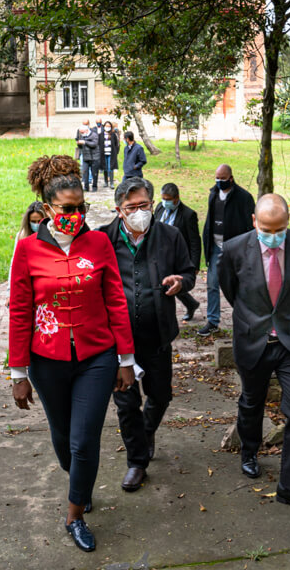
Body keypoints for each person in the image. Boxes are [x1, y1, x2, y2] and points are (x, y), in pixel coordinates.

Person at [8, 155, 136, 552]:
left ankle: (74, 514)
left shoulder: (98, 243)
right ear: (47, 209)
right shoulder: (27, 251)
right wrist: (18, 372)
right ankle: (80, 483)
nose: (76, 215)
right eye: (68, 209)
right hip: (47, 362)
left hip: (97, 357)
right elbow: (19, 310)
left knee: (84, 441)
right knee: (63, 438)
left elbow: (116, 298)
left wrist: (126, 360)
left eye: (81, 207)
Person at [218, 193, 290, 516]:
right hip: (254, 339)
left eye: (279, 229)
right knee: (252, 401)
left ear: (288, 223)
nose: (273, 236)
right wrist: (255, 318)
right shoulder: (235, 249)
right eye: (266, 228)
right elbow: (230, 289)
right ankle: (249, 451)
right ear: (254, 221)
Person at [99, 177, 196, 492]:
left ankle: (146, 431)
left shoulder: (170, 236)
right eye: (132, 207)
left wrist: (181, 281)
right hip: (117, 340)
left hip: (157, 332)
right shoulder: (103, 240)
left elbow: (190, 271)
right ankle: (137, 462)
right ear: (119, 210)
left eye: (144, 205)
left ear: (152, 205)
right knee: (126, 403)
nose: (139, 212)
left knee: (160, 394)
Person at [198, 164, 254, 337]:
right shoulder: (213, 194)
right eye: (217, 178)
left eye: (222, 178)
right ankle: (213, 321)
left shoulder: (244, 197)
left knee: (239, 286)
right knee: (212, 284)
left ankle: (244, 320)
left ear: (231, 177)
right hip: (216, 246)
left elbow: (250, 225)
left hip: (236, 249)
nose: (219, 181)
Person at [154, 183, 201, 321]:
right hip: (159, 252)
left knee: (171, 282)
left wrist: (195, 264)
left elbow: (194, 241)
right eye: (163, 198)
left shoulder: (188, 215)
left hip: (177, 255)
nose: (165, 202)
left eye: (168, 199)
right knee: (164, 282)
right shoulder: (159, 208)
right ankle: (191, 303)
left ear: (176, 198)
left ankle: (188, 305)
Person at [8, 201, 45, 286]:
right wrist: (9, 289)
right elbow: (14, 264)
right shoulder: (22, 236)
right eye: (33, 221)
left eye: (39, 221)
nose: (36, 225)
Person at [76, 120, 99, 192]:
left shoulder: (94, 135)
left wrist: (85, 142)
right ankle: (86, 187)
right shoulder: (82, 136)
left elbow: (94, 144)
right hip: (86, 157)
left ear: (86, 131)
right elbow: (80, 146)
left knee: (94, 173)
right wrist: (79, 143)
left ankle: (94, 186)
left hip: (94, 157)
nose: (81, 134)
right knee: (85, 172)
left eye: (82, 132)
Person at [99, 121, 120, 189]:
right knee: (105, 168)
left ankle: (111, 183)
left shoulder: (113, 135)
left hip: (111, 154)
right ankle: (105, 182)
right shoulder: (101, 135)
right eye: (106, 126)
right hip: (103, 154)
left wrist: (116, 152)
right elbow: (99, 144)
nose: (107, 128)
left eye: (109, 126)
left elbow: (116, 144)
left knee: (110, 168)